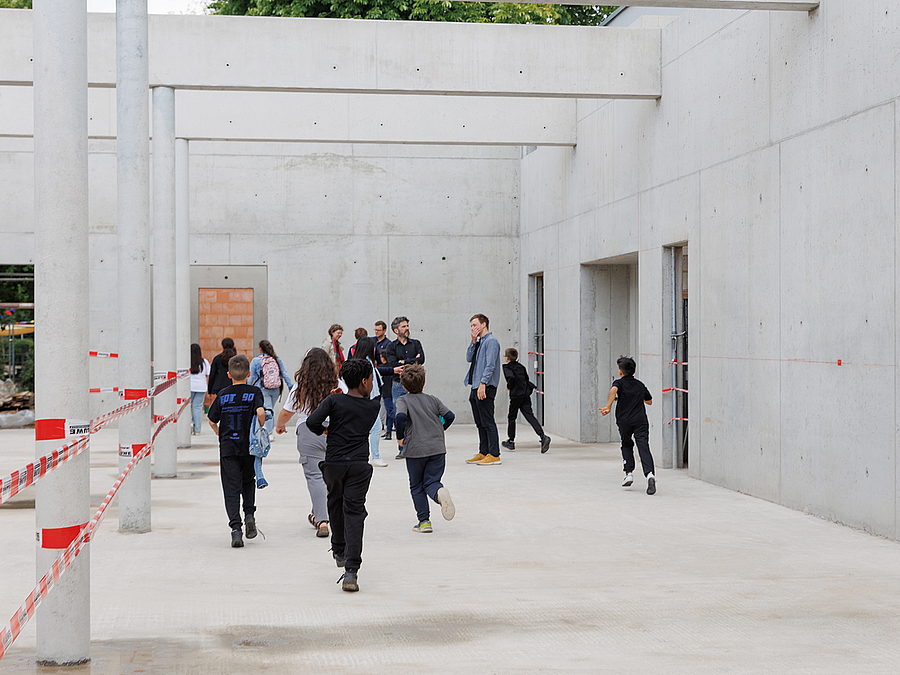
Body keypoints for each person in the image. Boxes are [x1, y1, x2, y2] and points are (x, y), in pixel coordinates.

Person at [306, 359, 381, 593]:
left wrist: (326, 427)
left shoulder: (333, 400)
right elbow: (358, 405)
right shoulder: (373, 407)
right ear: (364, 381)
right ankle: (351, 571)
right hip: (359, 465)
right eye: (370, 379)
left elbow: (312, 422)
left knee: (335, 505)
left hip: (335, 463)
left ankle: (338, 549)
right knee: (355, 513)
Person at [275, 347, 336, 538]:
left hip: (309, 431)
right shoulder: (337, 383)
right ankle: (317, 513)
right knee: (331, 477)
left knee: (315, 477)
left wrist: (279, 426)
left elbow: (286, 412)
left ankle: (323, 520)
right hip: (334, 432)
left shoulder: (301, 386)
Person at [207, 354, 265, 548]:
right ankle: (249, 514)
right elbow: (260, 412)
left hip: (228, 447)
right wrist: (260, 426)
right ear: (249, 373)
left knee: (231, 488)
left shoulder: (223, 394)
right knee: (248, 481)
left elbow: (212, 420)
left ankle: (236, 530)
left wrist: (219, 434)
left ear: (229, 374)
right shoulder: (255, 391)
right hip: (248, 447)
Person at [394, 364, 456, 533]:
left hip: (416, 449)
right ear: (424, 382)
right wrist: (440, 429)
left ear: (404, 385)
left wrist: (400, 437)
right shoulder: (433, 399)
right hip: (437, 448)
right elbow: (450, 416)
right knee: (432, 482)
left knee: (416, 486)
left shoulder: (403, 400)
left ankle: (424, 522)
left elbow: (400, 417)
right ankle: (439, 493)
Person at [600, 356, 657, 496]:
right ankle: (650, 474)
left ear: (620, 372)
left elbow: (613, 390)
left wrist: (608, 406)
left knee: (626, 444)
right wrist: (637, 397)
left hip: (624, 420)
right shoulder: (639, 385)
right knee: (643, 445)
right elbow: (649, 401)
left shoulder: (619, 383)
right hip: (640, 420)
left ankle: (629, 473)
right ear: (634, 371)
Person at [349, 336, 404, 468]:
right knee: (376, 427)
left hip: (365, 400)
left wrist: (392, 370)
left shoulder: (362, 362)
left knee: (367, 429)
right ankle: (375, 456)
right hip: (367, 400)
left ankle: (366, 456)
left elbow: (375, 371)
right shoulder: (364, 363)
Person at [464, 313, 502, 466]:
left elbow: (490, 365)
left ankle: (494, 454)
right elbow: (468, 358)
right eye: (471, 326)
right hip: (475, 385)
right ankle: (484, 451)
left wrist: (483, 384)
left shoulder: (491, 342)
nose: (473, 328)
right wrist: (473, 342)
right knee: (480, 422)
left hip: (484, 386)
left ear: (484, 324)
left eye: (475, 325)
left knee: (487, 421)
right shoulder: (479, 342)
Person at [385, 316, 425, 458]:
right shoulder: (391, 347)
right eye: (403, 326)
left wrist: (403, 361)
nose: (407, 328)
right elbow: (392, 365)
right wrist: (412, 361)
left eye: (407, 325)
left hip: (415, 384)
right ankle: (402, 449)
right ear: (396, 330)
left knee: (416, 415)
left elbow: (422, 360)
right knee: (400, 416)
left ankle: (417, 447)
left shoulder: (415, 343)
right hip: (398, 385)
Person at [501, 347, 550, 453]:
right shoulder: (521, 367)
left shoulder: (507, 367)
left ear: (507, 358)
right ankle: (542, 436)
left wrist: (509, 386)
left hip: (516, 395)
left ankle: (511, 440)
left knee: (511, 417)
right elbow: (526, 378)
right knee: (529, 415)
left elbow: (511, 378)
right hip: (525, 393)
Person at [249, 340, 294, 440]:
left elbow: (251, 376)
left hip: (263, 388)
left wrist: (247, 388)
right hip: (276, 389)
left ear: (260, 349)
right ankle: (269, 429)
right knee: (270, 409)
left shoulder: (256, 360)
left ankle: (270, 433)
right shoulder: (276, 359)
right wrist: (291, 387)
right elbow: (284, 373)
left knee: (267, 410)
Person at [373, 321, 393, 438]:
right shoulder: (373, 341)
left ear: (384, 331)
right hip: (377, 373)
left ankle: (388, 426)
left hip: (385, 374)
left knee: (387, 403)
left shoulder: (388, 344)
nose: (376, 332)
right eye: (375, 330)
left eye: (379, 330)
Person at [189, 343, 210, 435]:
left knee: (188, 407)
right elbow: (208, 374)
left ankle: (189, 423)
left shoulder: (187, 362)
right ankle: (197, 430)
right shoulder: (204, 362)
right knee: (197, 407)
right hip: (201, 387)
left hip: (189, 386)